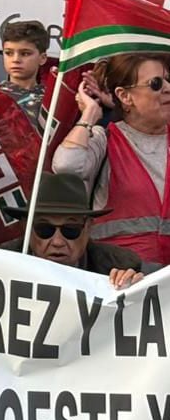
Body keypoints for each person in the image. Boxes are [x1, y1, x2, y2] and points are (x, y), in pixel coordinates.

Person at [53, 53, 170, 270]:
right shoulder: (104, 139)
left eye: (169, 80)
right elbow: (66, 166)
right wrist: (89, 114)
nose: (167, 88)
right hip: (119, 279)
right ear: (125, 97)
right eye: (156, 83)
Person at [2, 175, 145, 287]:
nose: (57, 242)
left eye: (70, 230)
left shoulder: (119, 264)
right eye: (44, 229)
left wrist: (139, 285)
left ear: (88, 228)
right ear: (26, 227)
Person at [0, 19, 52, 130]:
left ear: (42, 58)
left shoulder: (52, 100)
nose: (16, 59)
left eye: (25, 53)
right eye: (9, 53)